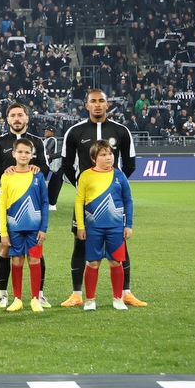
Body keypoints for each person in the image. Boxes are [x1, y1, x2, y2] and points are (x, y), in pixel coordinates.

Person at [60, 90, 145, 308]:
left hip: (113, 203)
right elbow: (67, 164)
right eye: (93, 101)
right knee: (80, 244)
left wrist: (113, 186)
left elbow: (130, 163)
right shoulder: (75, 131)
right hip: (87, 201)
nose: (97, 105)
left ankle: (125, 293)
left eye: (101, 101)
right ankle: (77, 294)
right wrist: (82, 186)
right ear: (86, 105)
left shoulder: (121, 131)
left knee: (120, 248)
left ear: (108, 104)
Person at [0, 102, 50, 309]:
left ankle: (38, 294)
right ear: (8, 119)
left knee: (36, 251)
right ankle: (3, 294)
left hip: (32, 206)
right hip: (8, 203)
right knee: (5, 248)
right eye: (13, 115)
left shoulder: (37, 143)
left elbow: (46, 169)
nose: (17, 119)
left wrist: (35, 167)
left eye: (20, 115)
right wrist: (7, 171)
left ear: (27, 118)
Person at [75, 140, 134, 311]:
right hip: (93, 228)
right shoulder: (86, 175)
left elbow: (128, 200)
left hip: (116, 228)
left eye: (110, 154)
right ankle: (90, 300)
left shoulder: (119, 175)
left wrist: (128, 224)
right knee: (93, 263)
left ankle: (118, 299)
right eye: (103, 154)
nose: (108, 157)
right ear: (94, 158)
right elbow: (79, 202)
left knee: (116, 262)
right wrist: (80, 226)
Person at [0, 138, 49, 313]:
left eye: (27, 152)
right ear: (13, 154)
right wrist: (3, 232)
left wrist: (43, 228)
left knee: (34, 260)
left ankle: (35, 299)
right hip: (14, 228)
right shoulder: (7, 176)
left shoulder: (37, 175)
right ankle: (17, 299)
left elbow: (44, 202)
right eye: (20, 151)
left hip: (34, 228)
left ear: (32, 155)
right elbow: (2, 206)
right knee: (17, 260)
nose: (23, 155)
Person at [43, 126, 63, 210]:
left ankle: (51, 204)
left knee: (53, 185)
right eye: (45, 131)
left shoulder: (52, 140)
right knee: (52, 185)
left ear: (52, 132)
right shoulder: (48, 140)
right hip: (56, 166)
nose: (45, 132)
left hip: (54, 166)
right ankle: (50, 203)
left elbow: (48, 152)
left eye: (47, 131)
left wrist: (47, 159)